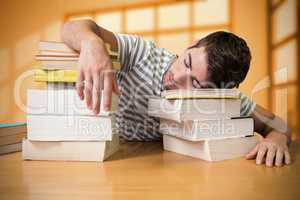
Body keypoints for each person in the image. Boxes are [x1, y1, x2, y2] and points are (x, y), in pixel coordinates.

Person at [61, 19, 291, 167]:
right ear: (192, 44)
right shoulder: (142, 55)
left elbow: (278, 125)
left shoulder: (222, 99)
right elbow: (72, 27)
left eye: (196, 84)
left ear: (218, 94)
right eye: (187, 62)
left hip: (169, 171)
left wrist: (277, 138)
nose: (178, 77)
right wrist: (92, 43)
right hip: (110, 157)